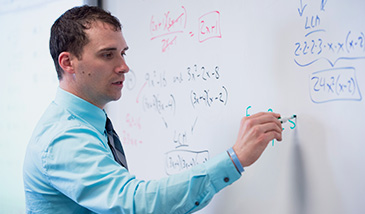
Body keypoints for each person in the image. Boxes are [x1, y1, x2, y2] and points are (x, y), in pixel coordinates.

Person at [23, 5, 283, 214]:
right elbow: (135, 204)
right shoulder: (64, 137)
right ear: (68, 62)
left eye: (123, 53)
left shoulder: (87, 123)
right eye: (108, 55)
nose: (124, 66)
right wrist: (234, 159)